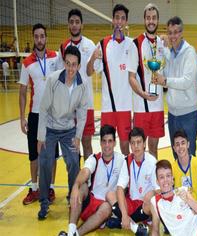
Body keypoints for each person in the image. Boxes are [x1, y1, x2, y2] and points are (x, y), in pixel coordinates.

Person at [37, 45, 88, 220]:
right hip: (50, 129)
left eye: (74, 64)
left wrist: (78, 136)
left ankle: (71, 196)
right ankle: (44, 201)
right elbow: (43, 109)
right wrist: (41, 137)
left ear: (79, 66)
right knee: (44, 161)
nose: (71, 68)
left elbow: (82, 114)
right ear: (64, 63)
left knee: (74, 161)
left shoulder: (82, 85)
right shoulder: (53, 80)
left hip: (68, 130)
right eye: (68, 63)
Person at [58, 125, 125, 236]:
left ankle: (74, 234)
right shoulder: (94, 158)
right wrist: (75, 185)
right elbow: (85, 171)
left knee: (107, 208)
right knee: (82, 186)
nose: (107, 145)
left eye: (110, 141)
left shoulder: (121, 160)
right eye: (104, 141)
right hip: (89, 204)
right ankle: (71, 229)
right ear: (100, 142)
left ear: (115, 143)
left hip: (104, 208)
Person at [19, 23, 60, 205]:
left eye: (42, 36)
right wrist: (22, 118)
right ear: (33, 38)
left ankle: (50, 188)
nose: (39, 39)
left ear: (46, 37)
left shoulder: (55, 57)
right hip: (35, 115)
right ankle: (35, 189)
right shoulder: (27, 63)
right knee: (34, 155)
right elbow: (22, 92)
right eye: (36, 36)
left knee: (51, 155)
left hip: (53, 115)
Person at [87, 4, 134, 155]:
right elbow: (88, 72)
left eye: (123, 18)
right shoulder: (102, 44)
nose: (119, 21)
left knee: (125, 146)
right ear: (112, 20)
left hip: (125, 106)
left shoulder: (132, 44)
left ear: (126, 22)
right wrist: (93, 57)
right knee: (107, 147)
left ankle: (126, 177)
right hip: (108, 107)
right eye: (117, 18)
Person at [153, 16, 197, 157]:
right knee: (176, 155)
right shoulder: (170, 53)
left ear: (181, 33)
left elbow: (186, 81)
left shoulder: (190, 52)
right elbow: (164, 72)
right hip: (173, 115)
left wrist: (165, 80)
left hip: (188, 114)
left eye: (176, 32)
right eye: (170, 32)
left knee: (189, 155)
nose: (173, 36)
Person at [127, 3, 167, 158]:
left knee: (154, 149)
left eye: (154, 18)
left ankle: (155, 181)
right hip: (141, 107)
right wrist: (143, 94)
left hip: (157, 106)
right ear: (144, 20)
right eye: (148, 18)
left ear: (158, 20)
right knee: (139, 150)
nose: (151, 21)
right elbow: (131, 77)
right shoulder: (135, 44)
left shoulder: (163, 43)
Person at [58, 9, 96, 159]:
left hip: (87, 103)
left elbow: (91, 71)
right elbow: (59, 75)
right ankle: (74, 180)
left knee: (87, 143)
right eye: (71, 22)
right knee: (72, 146)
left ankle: (88, 180)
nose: (74, 25)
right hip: (69, 105)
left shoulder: (90, 44)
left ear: (82, 24)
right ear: (68, 25)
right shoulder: (63, 47)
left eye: (77, 22)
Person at [105, 127, 158, 235]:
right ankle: (134, 226)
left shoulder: (152, 161)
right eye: (133, 143)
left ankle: (121, 222)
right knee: (110, 194)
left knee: (151, 201)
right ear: (130, 145)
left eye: (139, 142)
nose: (136, 146)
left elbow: (158, 189)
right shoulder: (127, 160)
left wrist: (151, 193)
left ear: (144, 144)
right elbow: (120, 188)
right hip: (131, 203)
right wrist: (124, 215)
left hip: (144, 204)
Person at [171, 129, 197, 203]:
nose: (180, 147)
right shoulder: (172, 169)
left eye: (183, 143)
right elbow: (170, 193)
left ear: (188, 144)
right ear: (174, 149)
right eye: (177, 144)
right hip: (180, 207)